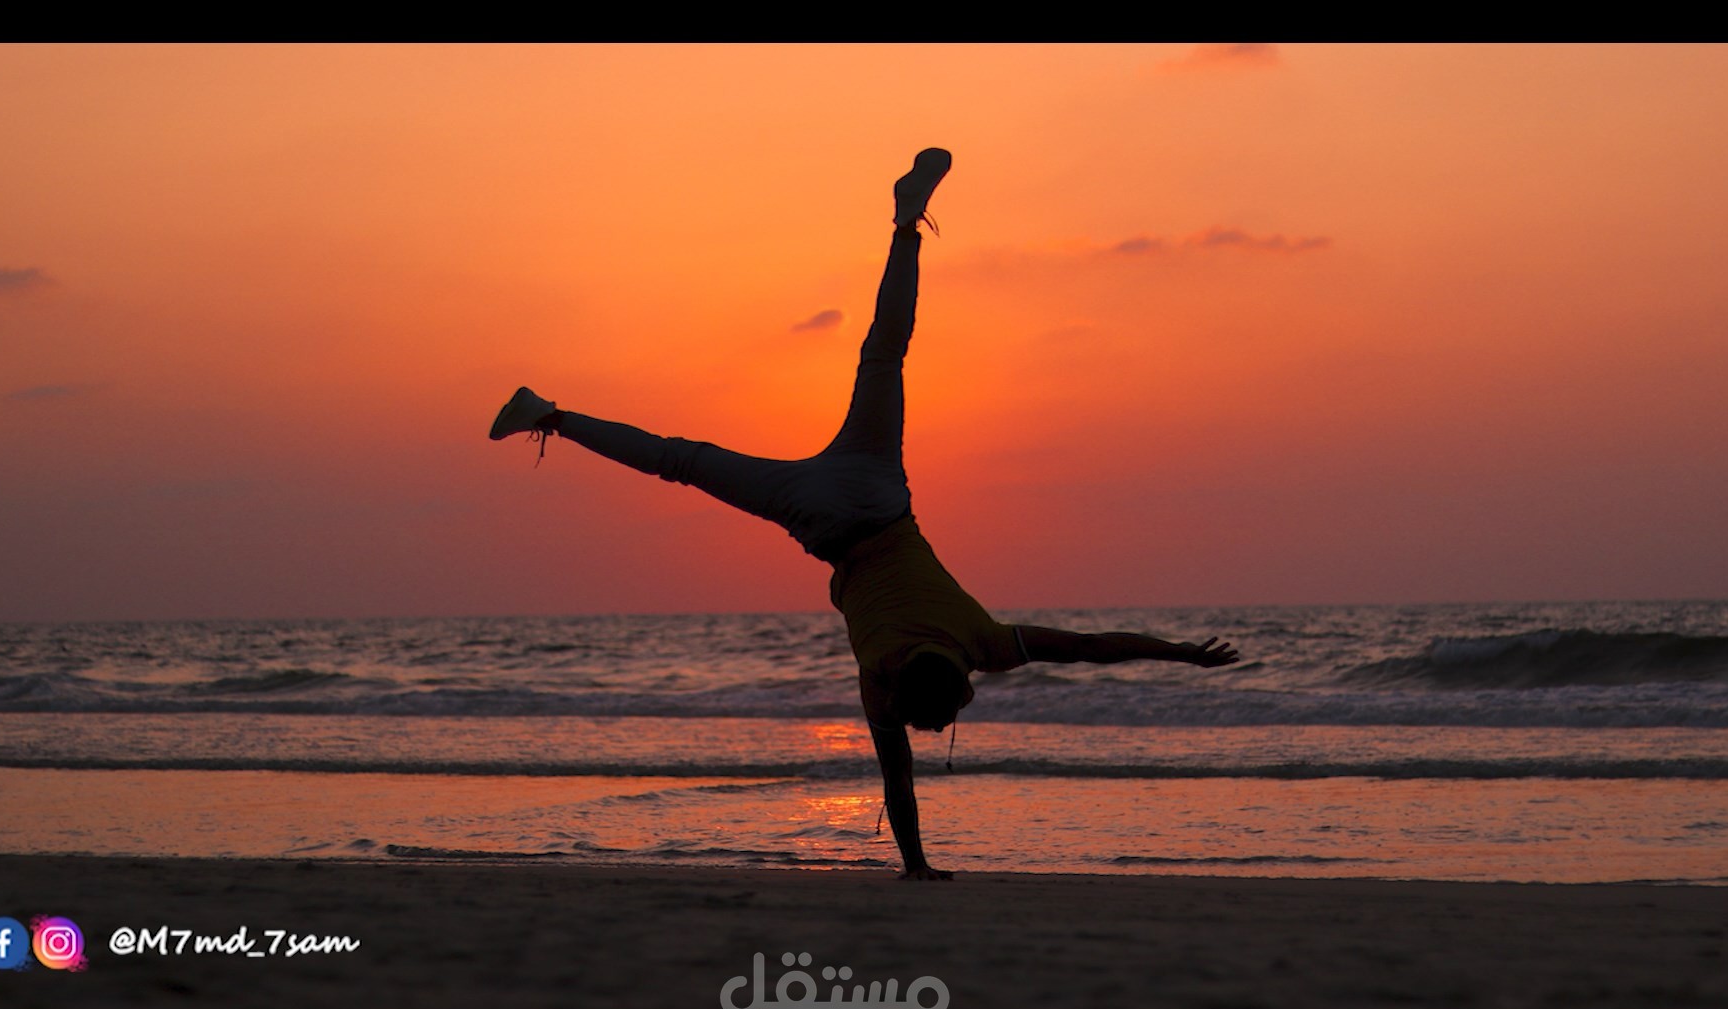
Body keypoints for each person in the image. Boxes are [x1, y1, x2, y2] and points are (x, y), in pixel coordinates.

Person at [490, 149, 1240, 880]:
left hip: (877, 489)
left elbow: (1093, 647)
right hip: (820, 519)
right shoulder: (882, 680)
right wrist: (915, 867)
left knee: (884, 355)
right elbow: (901, 779)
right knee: (679, 460)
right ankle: (548, 415)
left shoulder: (983, 641)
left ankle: (908, 224)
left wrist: (1181, 651)